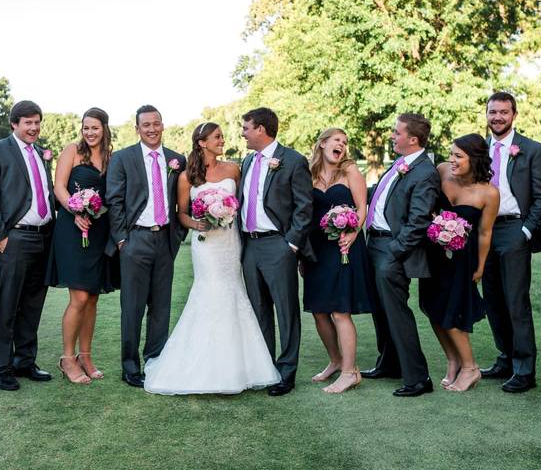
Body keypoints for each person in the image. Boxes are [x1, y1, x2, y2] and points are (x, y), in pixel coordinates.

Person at [143, 123, 280, 394]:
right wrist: (197, 224)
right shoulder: (186, 177)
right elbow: (181, 213)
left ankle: (242, 367)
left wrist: (225, 211)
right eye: (217, 137)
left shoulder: (233, 169)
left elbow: (244, 202)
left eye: (222, 137)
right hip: (205, 244)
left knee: (232, 292)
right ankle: (203, 366)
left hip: (230, 242)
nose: (223, 140)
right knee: (210, 293)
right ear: (202, 142)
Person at [0, 100, 56, 391]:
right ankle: (2, 367)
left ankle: (25, 361)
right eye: (27, 123)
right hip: (14, 238)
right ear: (14, 124)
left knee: (33, 303)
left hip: (44, 236)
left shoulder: (41, 153)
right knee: (8, 304)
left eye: (37, 122)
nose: (33, 128)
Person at [105, 105, 187, 388]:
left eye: (156, 123)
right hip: (134, 240)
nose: (151, 129)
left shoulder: (177, 160)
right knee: (133, 307)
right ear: (137, 128)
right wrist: (122, 240)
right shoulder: (122, 158)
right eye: (145, 125)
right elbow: (114, 200)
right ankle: (130, 366)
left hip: (165, 238)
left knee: (161, 306)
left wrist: (176, 236)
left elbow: (183, 200)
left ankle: (155, 360)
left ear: (163, 125)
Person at [362, 113, 440, 397]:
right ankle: (389, 363)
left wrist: (395, 251)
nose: (392, 136)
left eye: (397, 132)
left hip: (393, 249)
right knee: (381, 310)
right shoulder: (400, 164)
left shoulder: (424, 172)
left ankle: (419, 378)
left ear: (413, 139)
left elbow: (419, 220)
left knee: (396, 312)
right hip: (375, 243)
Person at [238, 107, 314, 397]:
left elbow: (304, 207)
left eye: (246, 128)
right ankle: (265, 368)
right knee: (259, 311)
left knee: (285, 310)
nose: (243, 133)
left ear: (260, 129)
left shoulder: (293, 161)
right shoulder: (246, 161)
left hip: (278, 245)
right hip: (250, 245)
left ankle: (286, 372)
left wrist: (291, 245)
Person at [480, 92, 541, 393]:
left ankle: (524, 369)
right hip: (484, 231)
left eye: (503, 112)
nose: (497, 117)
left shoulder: (532, 149)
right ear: (486, 114)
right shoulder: (478, 150)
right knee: (492, 299)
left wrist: (525, 232)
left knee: (516, 302)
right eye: (492, 111)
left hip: (514, 229)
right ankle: (505, 358)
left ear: (514, 115)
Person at [418, 134, 498, 392]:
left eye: (458, 156)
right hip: (433, 254)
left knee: (451, 312)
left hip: (463, 260)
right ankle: (452, 361)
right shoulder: (441, 171)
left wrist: (481, 266)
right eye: (451, 154)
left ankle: (470, 368)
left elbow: (485, 233)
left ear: (474, 159)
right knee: (432, 308)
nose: (451, 160)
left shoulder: (488, 192)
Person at [302, 128, 376, 394]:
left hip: (344, 247)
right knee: (319, 311)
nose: (342, 146)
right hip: (316, 249)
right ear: (322, 144)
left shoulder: (350, 171)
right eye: (337, 141)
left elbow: (362, 207)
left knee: (339, 310)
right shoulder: (308, 175)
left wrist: (354, 234)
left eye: (345, 143)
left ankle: (350, 371)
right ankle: (335, 361)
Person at [45, 107, 115, 385]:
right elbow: (59, 187)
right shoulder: (72, 150)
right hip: (72, 230)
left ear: (104, 128)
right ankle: (67, 358)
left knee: (93, 296)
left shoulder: (111, 157)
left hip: (99, 230)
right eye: (86, 127)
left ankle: (86, 355)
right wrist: (75, 211)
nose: (89, 132)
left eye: (94, 127)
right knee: (80, 298)